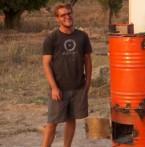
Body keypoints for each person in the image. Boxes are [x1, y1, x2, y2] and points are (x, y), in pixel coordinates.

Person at [42, 3, 92, 147]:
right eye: (63, 15)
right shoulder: (52, 38)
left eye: (69, 13)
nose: (67, 17)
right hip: (59, 89)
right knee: (52, 123)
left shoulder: (82, 36)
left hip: (78, 88)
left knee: (72, 119)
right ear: (57, 18)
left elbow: (88, 61)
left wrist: (87, 83)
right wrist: (54, 88)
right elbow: (46, 64)